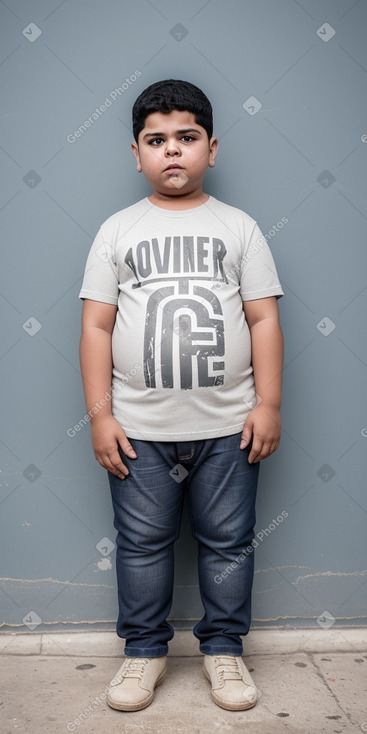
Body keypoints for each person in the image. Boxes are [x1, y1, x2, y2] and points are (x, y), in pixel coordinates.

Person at [78, 79, 284, 713]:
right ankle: (143, 653)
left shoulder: (239, 227)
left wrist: (268, 404)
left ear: (212, 148)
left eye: (187, 138)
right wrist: (101, 416)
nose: (173, 151)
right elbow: (95, 325)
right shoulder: (118, 230)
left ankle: (224, 651)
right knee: (141, 544)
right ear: (135, 153)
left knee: (228, 541)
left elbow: (263, 319)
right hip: (138, 427)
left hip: (228, 426)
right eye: (156, 140)